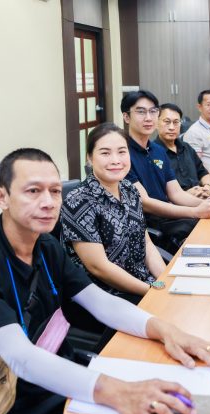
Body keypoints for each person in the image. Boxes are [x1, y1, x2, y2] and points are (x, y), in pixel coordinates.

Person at [0, 148, 210, 414]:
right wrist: (118, 392)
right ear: (2, 197)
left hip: (64, 374)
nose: (48, 202)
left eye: (55, 191)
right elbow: (21, 358)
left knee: (180, 404)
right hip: (13, 403)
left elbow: (100, 302)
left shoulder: (46, 245)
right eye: (33, 191)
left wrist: (166, 330)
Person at [61, 123, 167, 305]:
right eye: (105, 153)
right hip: (103, 296)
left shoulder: (129, 189)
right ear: (89, 158)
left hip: (143, 284)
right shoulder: (78, 201)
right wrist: (152, 291)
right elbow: (99, 268)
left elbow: (147, 244)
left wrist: (164, 283)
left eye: (122, 152)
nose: (116, 160)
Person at [120, 90, 210, 253]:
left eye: (153, 111)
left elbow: (176, 194)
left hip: (169, 216)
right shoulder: (122, 154)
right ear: (126, 117)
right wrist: (195, 211)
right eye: (141, 112)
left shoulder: (158, 151)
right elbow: (146, 203)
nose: (148, 118)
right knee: (201, 227)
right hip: (146, 225)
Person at [157, 103, 210, 199]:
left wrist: (207, 187)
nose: (171, 127)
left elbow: (203, 173)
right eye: (167, 122)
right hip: (177, 203)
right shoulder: (153, 153)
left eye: (176, 122)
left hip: (203, 196)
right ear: (156, 123)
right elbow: (158, 192)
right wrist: (186, 194)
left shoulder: (187, 147)